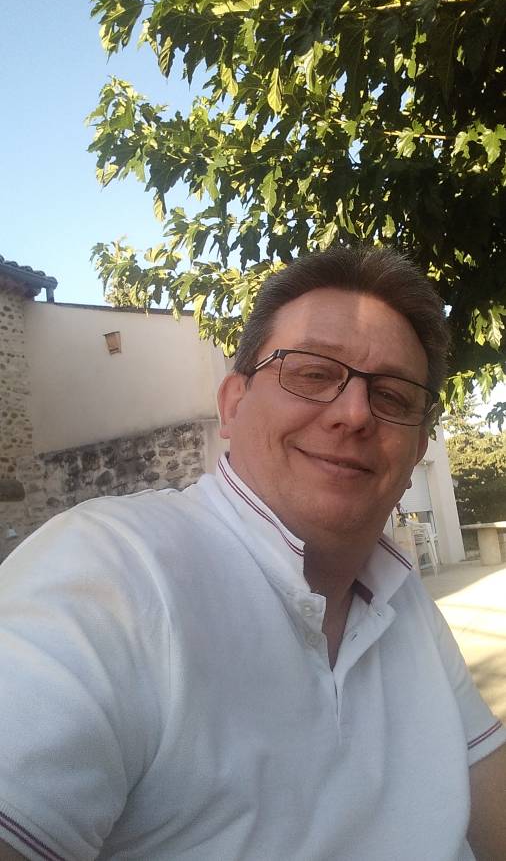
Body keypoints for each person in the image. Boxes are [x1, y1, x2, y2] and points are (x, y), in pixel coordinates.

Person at [0, 246, 504, 861]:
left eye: (394, 397)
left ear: (419, 445)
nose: (354, 414)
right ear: (233, 405)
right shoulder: (109, 571)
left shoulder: (401, 598)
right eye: (312, 373)